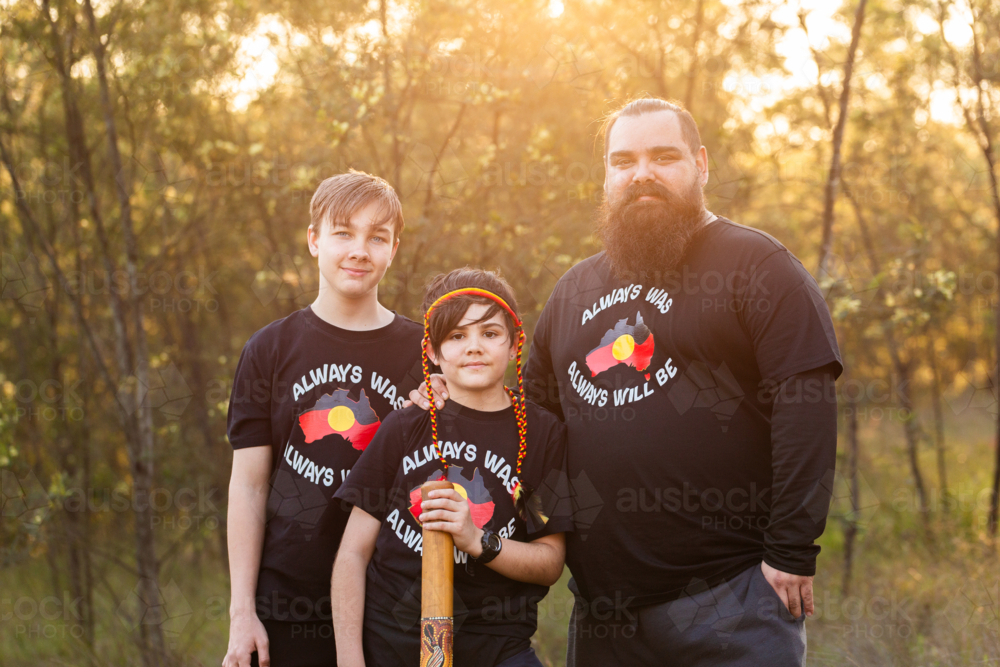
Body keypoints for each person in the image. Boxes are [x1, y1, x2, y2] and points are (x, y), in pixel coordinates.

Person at [410, 98, 843, 665]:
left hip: (731, 602)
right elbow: (530, 419)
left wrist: (791, 549)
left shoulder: (757, 266)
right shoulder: (575, 290)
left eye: (664, 156)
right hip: (604, 617)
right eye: (624, 160)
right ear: (607, 176)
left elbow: (804, 402)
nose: (642, 173)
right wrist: (454, 398)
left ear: (702, 164)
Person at [224, 171, 424, 667]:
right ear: (314, 241)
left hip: (390, 605)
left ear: (393, 249)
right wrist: (242, 612)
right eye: (343, 232)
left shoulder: (424, 352)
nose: (359, 249)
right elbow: (248, 487)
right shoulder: (269, 349)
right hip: (287, 603)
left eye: (377, 237)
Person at [331, 268, 572, 667]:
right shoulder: (406, 425)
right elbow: (353, 553)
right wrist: (349, 659)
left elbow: (549, 562)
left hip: (497, 648)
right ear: (432, 351)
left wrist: (477, 540)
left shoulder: (542, 433)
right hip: (394, 644)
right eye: (457, 336)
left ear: (515, 344)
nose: (474, 347)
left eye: (490, 334)